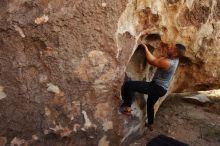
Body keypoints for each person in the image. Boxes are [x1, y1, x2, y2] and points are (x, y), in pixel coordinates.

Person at [119, 42, 186, 131]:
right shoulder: (175, 59)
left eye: (172, 48)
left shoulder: (168, 62)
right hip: (162, 89)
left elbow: (152, 61)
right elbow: (161, 58)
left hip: (156, 88)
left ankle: (127, 108)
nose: (169, 47)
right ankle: (150, 124)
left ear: (175, 53)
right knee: (150, 105)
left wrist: (145, 48)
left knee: (129, 85)